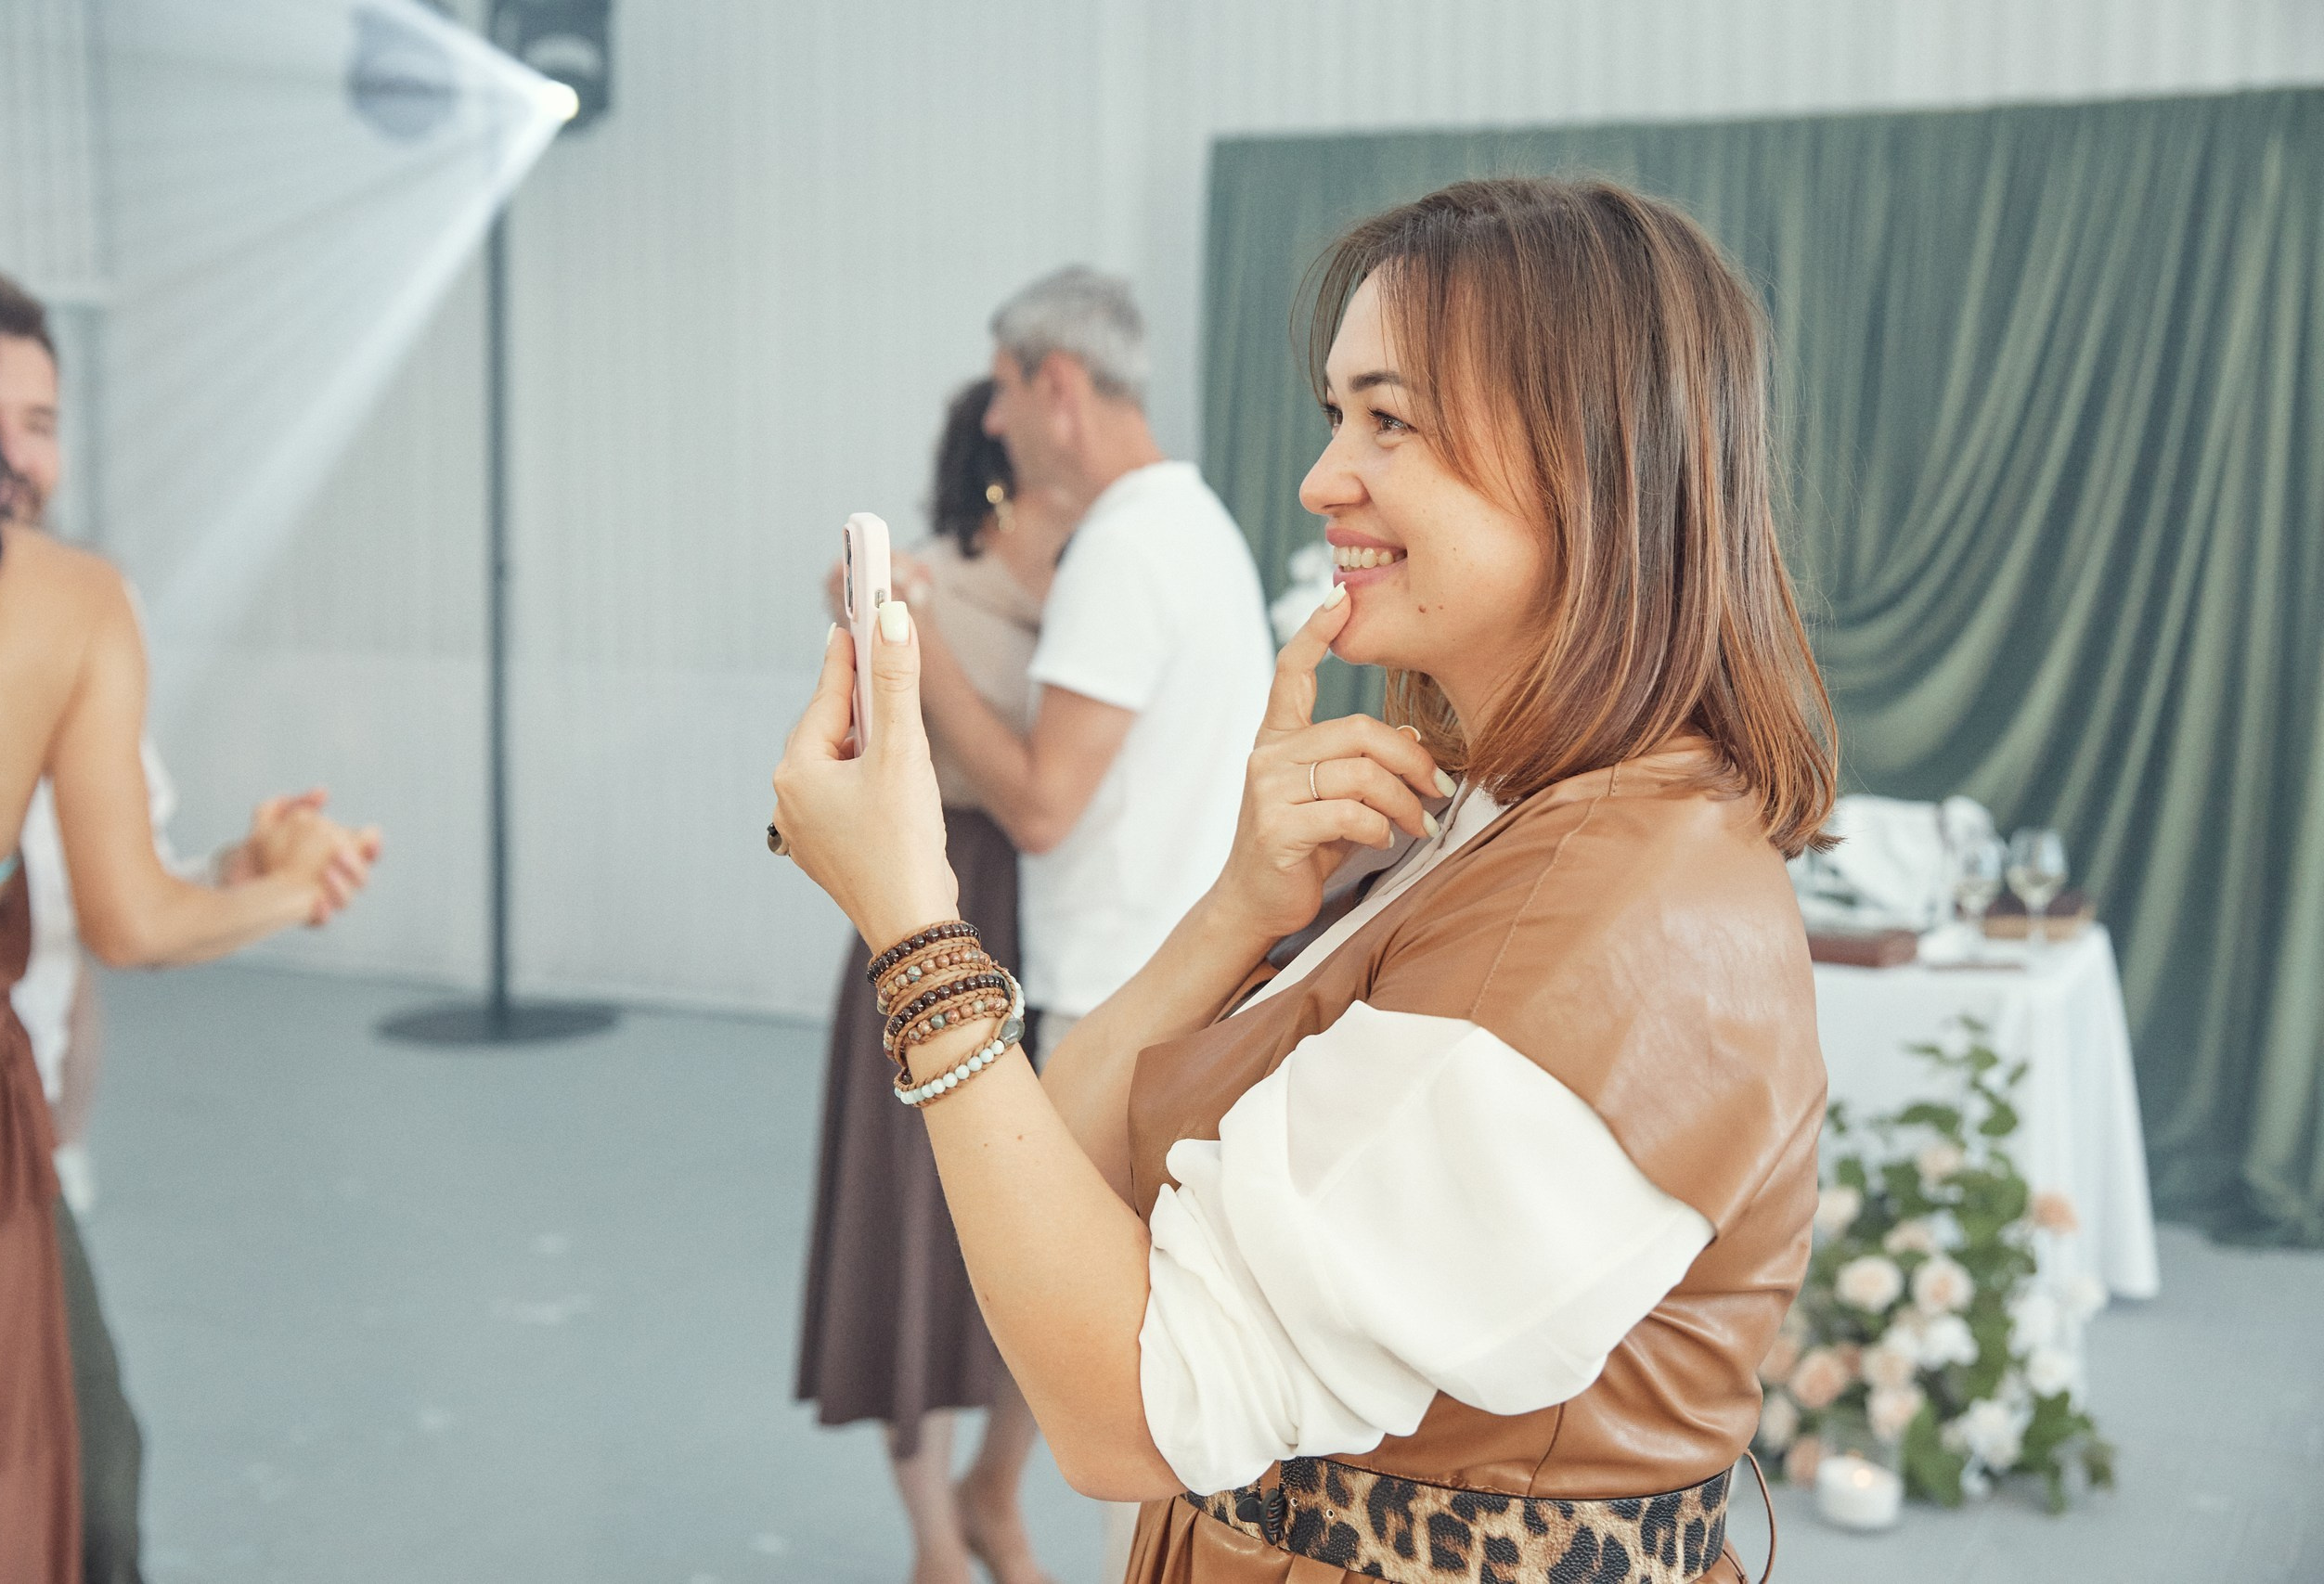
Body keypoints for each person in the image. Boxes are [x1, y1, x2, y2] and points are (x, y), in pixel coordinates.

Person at [772, 176, 1835, 1584]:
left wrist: (914, 917)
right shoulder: (1505, 817)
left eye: (1390, 421)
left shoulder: (1625, 912)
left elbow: (1123, 1413)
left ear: (1589, 459)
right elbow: (1076, 1160)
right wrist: (1239, 912)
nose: (1323, 478)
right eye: (1339, 415)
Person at [0, 225, 378, 1584]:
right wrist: (291, 895)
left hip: (12, 1138)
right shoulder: (68, 609)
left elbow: (127, 887)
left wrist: (239, 878)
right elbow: (132, 922)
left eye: (46, 423)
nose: (22, 457)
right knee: (49, 1500)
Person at [900, 267, 1272, 1577]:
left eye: (1003, 390)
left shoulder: (1125, 546)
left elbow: (1045, 804)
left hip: (1118, 997)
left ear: (1055, 384)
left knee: (1124, 1368)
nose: (991, 422)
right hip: (1174, 972)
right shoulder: (1195, 526)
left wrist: (909, 642)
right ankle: (994, 1492)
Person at [796, 379, 1076, 1584]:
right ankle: (934, 1547)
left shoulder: (1095, 585)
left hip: (1049, 913)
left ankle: (980, 1504)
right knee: (908, 1217)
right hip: (936, 890)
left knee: (1053, 1218)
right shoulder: (926, 588)